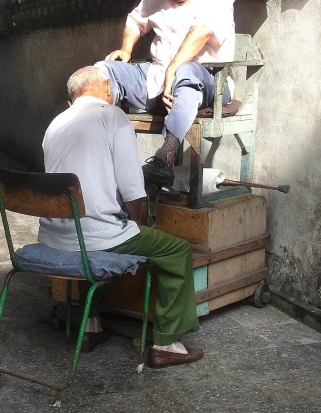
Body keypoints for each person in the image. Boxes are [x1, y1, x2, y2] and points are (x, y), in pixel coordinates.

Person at [39, 66, 203, 368]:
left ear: (71, 102)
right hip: (93, 239)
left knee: (92, 234)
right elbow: (133, 190)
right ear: (106, 88)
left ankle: (90, 326)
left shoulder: (55, 124)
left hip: (53, 238)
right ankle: (167, 342)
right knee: (176, 251)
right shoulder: (113, 116)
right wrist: (136, 225)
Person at [95, 0, 236, 185]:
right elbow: (135, 20)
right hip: (158, 80)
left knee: (186, 72)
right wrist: (126, 50)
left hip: (209, 80)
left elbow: (202, 32)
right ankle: (98, 151)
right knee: (102, 71)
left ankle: (165, 158)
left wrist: (173, 68)